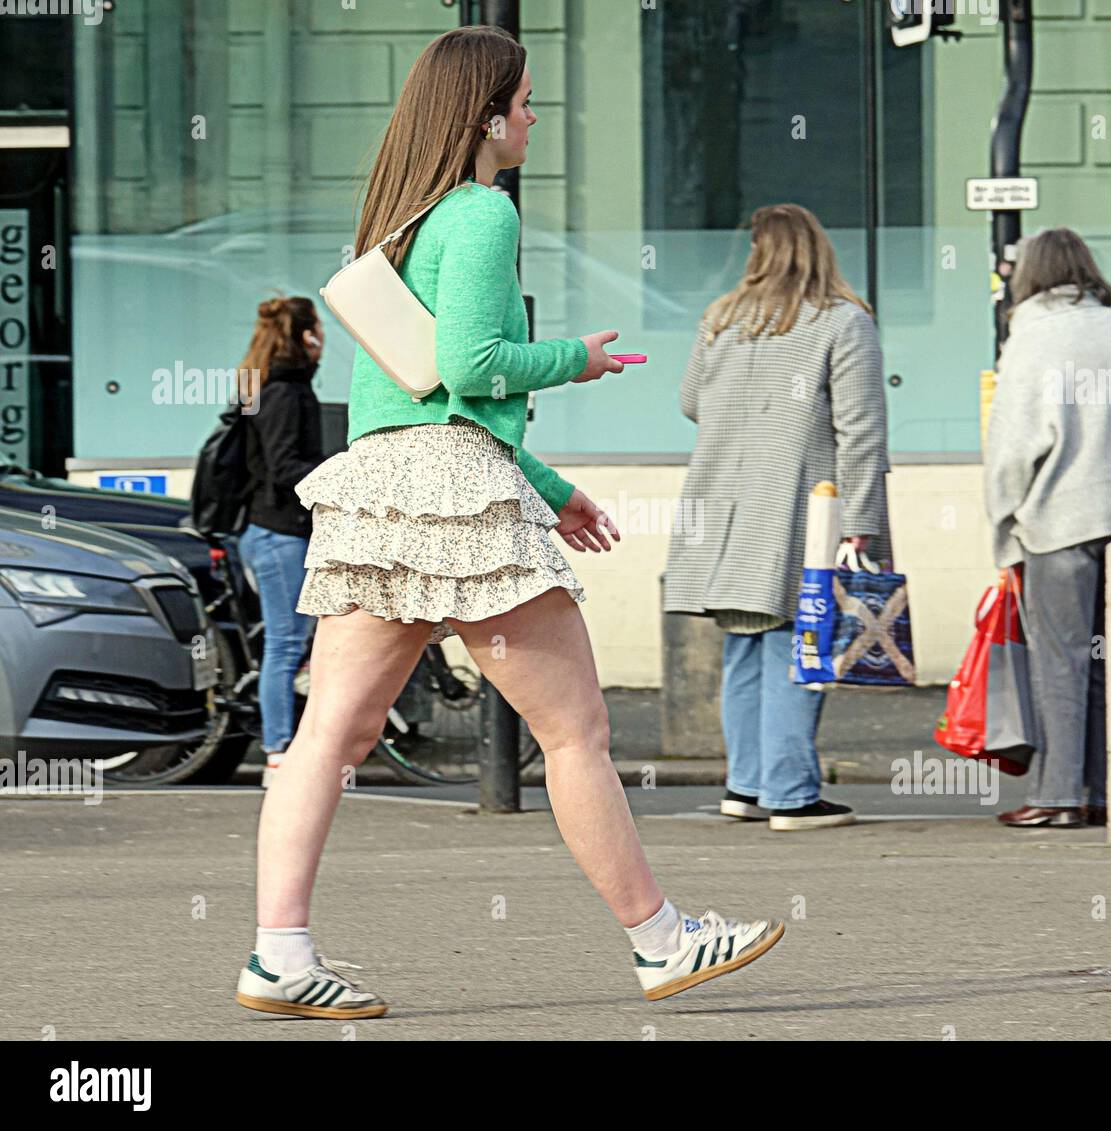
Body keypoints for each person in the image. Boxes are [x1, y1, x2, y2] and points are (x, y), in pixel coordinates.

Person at [234, 25, 783, 1020]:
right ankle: (661, 941)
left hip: (385, 491)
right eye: (523, 101)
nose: (533, 117)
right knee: (575, 730)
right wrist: (577, 358)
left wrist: (544, 482)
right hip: (457, 499)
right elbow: (475, 366)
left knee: (327, 736)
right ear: (484, 116)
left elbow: (414, 400)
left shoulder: (397, 225)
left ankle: (278, 952)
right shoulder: (482, 213)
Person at [662, 204, 892, 832]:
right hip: (806, 506)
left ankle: (746, 785)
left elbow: (691, 403)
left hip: (725, 506)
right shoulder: (843, 322)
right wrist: (861, 522)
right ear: (820, 250)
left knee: (745, 642)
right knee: (803, 642)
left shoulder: (722, 320)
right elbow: (862, 430)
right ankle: (790, 795)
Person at [984, 227, 1111, 829]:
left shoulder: (1031, 340)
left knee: (1059, 662)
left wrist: (1003, 535)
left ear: (1030, 275)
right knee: (1104, 659)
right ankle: (1100, 791)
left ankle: (1059, 795)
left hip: (1060, 523)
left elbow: (1012, 450)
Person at [235, 296, 326, 789]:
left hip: (276, 531)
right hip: (278, 533)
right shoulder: (285, 393)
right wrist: (341, 474)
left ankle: (293, 745)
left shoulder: (269, 385)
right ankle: (278, 754)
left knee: (298, 640)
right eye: (319, 330)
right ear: (307, 336)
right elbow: (285, 467)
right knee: (285, 644)